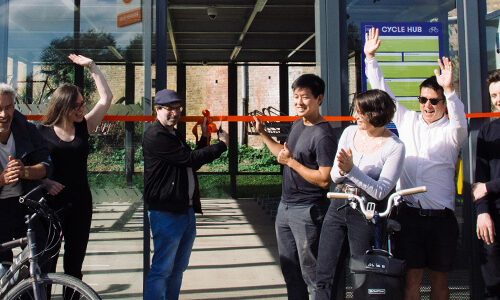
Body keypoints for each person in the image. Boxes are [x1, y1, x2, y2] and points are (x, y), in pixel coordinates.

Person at [364, 27, 468, 299]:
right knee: (411, 280)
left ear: (443, 104)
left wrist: (450, 90)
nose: (427, 106)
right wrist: (370, 59)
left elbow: (461, 125)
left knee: (440, 281)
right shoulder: (408, 120)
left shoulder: (451, 130)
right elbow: (382, 93)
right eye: (422, 100)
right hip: (409, 216)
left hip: (442, 219)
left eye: (434, 101)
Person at [314, 89, 405, 299]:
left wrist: (351, 170)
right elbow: (336, 174)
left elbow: (381, 190)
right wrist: (347, 171)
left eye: (360, 113)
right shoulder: (349, 133)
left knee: (362, 274)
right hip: (340, 203)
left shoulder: (394, 146)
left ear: (374, 114)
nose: (355, 117)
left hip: (366, 212)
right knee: (325, 271)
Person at [253, 74, 337, 299]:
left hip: (308, 210)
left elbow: (324, 178)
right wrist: (263, 133)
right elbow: (284, 155)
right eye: (296, 96)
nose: (299, 102)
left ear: (319, 99)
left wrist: (291, 162)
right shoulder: (298, 124)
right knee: (291, 272)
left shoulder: (323, 135)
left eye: (305, 97)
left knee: (313, 275)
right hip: (286, 207)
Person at [143, 88, 228, 300]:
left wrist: (205, 139)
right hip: (166, 211)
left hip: (184, 209)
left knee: (177, 269)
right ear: (157, 109)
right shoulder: (155, 135)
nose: (174, 113)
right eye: (169, 109)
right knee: (162, 269)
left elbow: (188, 161)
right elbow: (188, 159)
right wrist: (222, 145)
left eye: (177, 108)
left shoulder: (173, 134)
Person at [37, 54, 113, 281]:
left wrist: (92, 66)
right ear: (63, 106)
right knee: (47, 263)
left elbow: (106, 98)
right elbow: (31, 168)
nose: (83, 108)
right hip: (51, 207)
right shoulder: (41, 134)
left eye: (83, 104)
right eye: (78, 105)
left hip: (80, 204)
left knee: (74, 267)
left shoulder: (84, 127)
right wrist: (45, 182)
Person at [0, 83, 53, 272]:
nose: (4, 115)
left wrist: (25, 171)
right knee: (3, 266)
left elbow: (46, 166)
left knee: (40, 256)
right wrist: (3, 179)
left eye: (8, 107)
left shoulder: (26, 129)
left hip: (24, 204)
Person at [472, 69, 500, 299]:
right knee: (492, 286)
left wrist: (489, 187)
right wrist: (482, 212)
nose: (497, 99)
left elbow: (484, 185)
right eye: (493, 96)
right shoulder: (487, 131)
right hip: (493, 217)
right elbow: (479, 177)